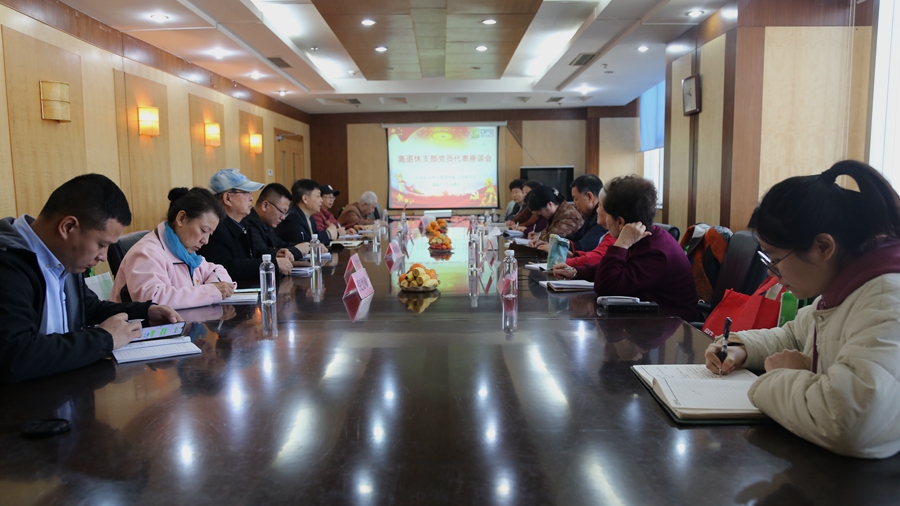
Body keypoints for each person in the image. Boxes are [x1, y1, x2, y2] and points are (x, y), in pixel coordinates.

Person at [705, 160, 900, 459]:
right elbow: (796, 336)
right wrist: (740, 347)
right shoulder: (845, 288)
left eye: (775, 260)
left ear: (823, 247)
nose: (772, 274)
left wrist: (781, 375)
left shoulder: (886, 299)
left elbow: (850, 422)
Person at [0, 174, 181, 383]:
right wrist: (104, 339)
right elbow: (15, 356)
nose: (103, 256)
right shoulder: (8, 263)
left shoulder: (63, 256)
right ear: (68, 227)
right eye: (101, 245)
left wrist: (145, 312)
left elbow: (89, 308)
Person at [553, 175, 698, 321]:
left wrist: (621, 244)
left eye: (603, 209)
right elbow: (619, 269)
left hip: (673, 325)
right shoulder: (645, 239)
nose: (598, 212)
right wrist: (576, 272)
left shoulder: (655, 252)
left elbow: (606, 288)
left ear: (620, 222)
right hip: (648, 321)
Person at [112, 187, 236, 309]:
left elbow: (215, 270)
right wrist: (210, 292)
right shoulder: (146, 253)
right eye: (203, 230)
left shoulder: (185, 251)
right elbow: (153, 301)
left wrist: (216, 285)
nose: (205, 240)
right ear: (181, 218)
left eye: (210, 234)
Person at [199, 168, 267, 282]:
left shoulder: (244, 224)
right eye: (246, 192)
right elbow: (225, 268)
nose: (251, 198)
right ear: (227, 198)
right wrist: (271, 264)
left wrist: (277, 256)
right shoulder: (215, 230)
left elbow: (256, 254)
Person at [243, 183, 309, 277]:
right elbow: (263, 253)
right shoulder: (249, 223)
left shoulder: (266, 224)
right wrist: (297, 250)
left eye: (285, 213)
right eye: (282, 212)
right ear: (265, 205)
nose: (283, 218)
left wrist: (307, 246)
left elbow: (280, 244)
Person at [533, 175, 606, 254]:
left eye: (576, 199)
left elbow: (584, 246)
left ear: (589, 197)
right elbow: (575, 237)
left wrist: (555, 247)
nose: (574, 204)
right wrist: (553, 243)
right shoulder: (590, 216)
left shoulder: (602, 217)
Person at [276, 179, 335, 246]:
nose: (321, 200)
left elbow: (314, 237)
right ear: (305, 199)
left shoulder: (310, 217)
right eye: (318, 196)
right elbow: (302, 243)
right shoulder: (292, 217)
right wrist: (328, 234)